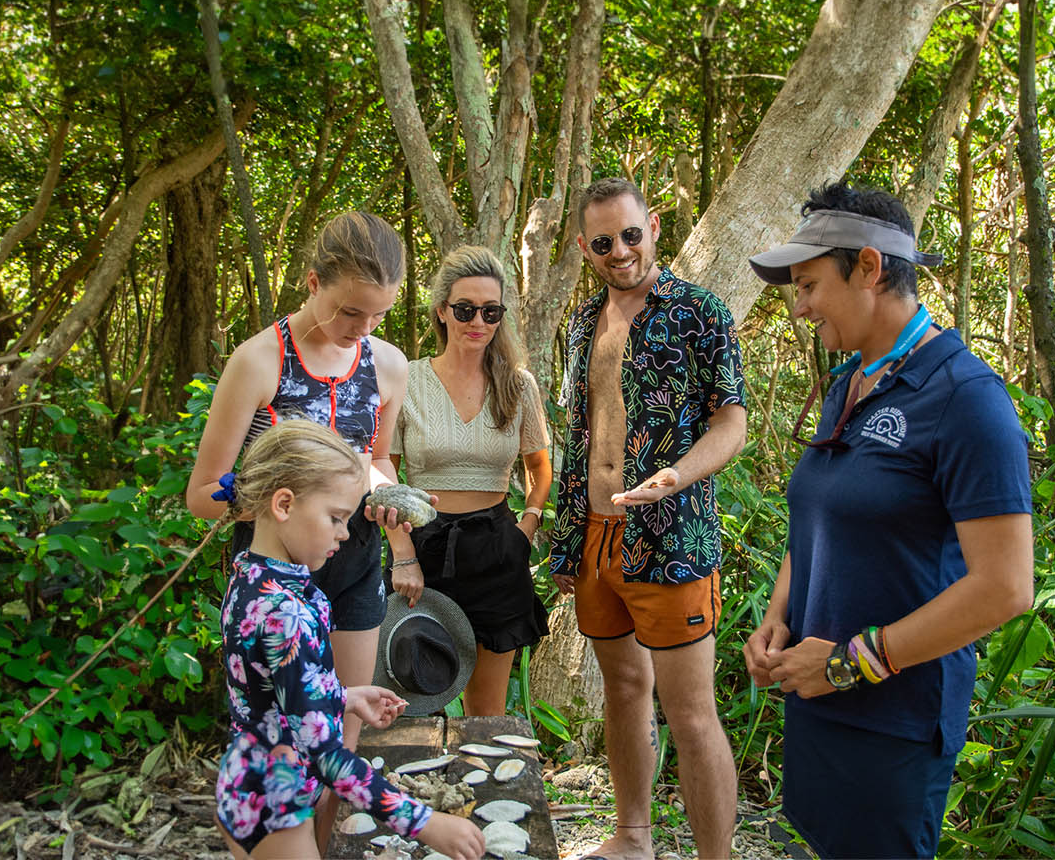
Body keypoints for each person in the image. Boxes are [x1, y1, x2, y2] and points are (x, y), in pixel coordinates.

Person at [742, 182, 1033, 859]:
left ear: (869, 268)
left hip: (893, 722)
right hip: (816, 700)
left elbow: (1005, 587)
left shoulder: (966, 399)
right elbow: (822, 515)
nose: (801, 305)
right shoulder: (851, 382)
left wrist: (850, 664)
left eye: (810, 284)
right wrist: (778, 615)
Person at [186, 211, 418, 848]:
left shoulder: (389, 366)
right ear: (313, 282)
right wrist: (277, 500)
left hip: (352, 559)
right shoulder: (259, 361)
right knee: (288, 735)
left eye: (377, 316)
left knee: (343, 733)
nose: (362, 330)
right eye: (350, 312)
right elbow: (204, 492)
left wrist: (382, 495)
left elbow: (377, 458)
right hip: (277, 574)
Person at [545, 177, 747, 860]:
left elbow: (731, 424)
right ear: (583, 247)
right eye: (603, 242)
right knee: (623, 689)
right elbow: (578, 434)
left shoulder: (699, 311)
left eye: (631, 234)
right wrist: (569, 544)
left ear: (653, 226)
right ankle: (632, 838)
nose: (620, 251)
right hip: (599, 537)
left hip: (672, 540)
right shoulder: (579, 323)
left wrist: (677, 476)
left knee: (691, 714)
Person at [215, 419, 485, 860]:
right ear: (284, 503)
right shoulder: (284, 611)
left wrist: (345, 696)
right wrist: (424, 822)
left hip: (251, 778)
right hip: (274, 807)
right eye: (336, 518)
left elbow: (273, 690)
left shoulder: (251, 576)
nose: (345, 533)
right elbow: (326, 756)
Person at [390, 244, 551, 716]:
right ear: (442, 311)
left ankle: (483, 790)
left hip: (497, 547)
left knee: (486, 711)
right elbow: (385, 475)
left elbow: (539, 468)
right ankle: (415, 791)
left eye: (490, 311)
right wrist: (403, 556)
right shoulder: (408, 380)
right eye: (465, 309)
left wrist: (527, 527)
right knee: (415, 700)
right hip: (424, 547)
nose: (477, 321)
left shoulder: (517, 386)